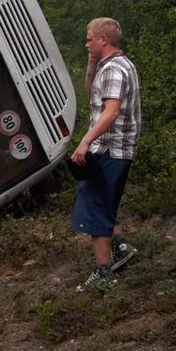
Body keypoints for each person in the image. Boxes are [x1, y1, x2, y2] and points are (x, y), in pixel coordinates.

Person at [70, 17, 141, 291]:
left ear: (103, 39)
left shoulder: (114, 70)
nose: (86, 43)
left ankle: (104, 272)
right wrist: (91, 64)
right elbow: (94, 99)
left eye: (89, 38)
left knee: (94, 207)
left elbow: (110, 112)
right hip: (112, 148)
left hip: (110, 148)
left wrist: (85, 141)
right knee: (97, 201)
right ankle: (121, 246)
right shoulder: (111, 66)